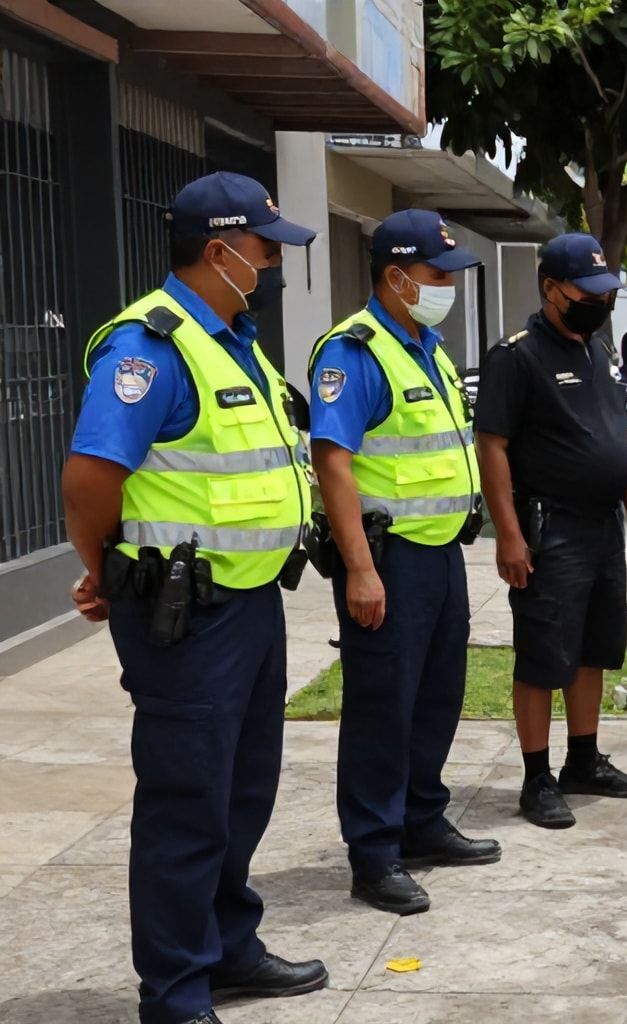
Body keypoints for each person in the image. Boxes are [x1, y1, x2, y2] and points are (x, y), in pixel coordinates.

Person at [61, 171, 328, 1024]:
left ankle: (228, 948)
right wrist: (103, 566)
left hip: (249, 603)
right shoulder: (152, 347)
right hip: (185, 616)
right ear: (219, 252)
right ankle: (176, 990)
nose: (272, 265)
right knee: (185, 802)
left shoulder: (233, 338)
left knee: (242, 790)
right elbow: (91, 476)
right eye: (263, 250)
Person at [307, 210, 501, 916]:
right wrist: (359, 568)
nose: (447, 285)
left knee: (436, 696)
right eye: (436, 274)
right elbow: (333, 461)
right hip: (388, 560)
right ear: (395, 276)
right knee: (382, 709)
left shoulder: (429, 347)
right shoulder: (354, 351)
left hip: (440, 553)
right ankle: (375, 853)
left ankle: (422, 819)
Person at [472, 232, 627, 829]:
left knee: (592, 649)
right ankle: (536, 777)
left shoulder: (598, 351)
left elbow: (616, 436)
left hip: (602, 526)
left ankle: (584, 759)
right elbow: (492, 446)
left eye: (607, 291)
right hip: (550, 530)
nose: (600, 301)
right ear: (552, 289)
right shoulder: (517, 356)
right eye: (589, 290)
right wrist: (507, 533)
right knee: (543, 656)